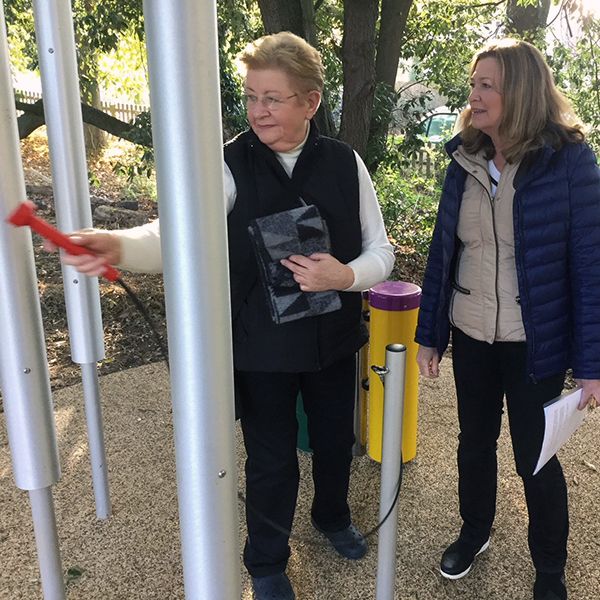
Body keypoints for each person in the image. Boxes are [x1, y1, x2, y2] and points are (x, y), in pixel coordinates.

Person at [50, 32, 394, 600]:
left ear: (310, 102)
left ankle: (331, 517)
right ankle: (266, 561)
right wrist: (119, 245)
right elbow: (174, 234)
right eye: (252, 95)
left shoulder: (344, 162)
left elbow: (380, 252)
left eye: (273, 98)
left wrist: (345, 276)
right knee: (271, 460)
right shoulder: (227, 164)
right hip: (262, 349)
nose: (258, 110)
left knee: (335, 442)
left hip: (333, 339)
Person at [415, 38, 600, 600]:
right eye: (473, 85)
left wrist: (591, 365)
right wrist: (430, 335)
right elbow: (443, 250)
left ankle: (549, 568)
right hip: (472, 332)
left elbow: (591, 267)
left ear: (517, 91)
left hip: (533, 341)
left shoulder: (569, 162)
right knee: (474, 442)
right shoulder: (463, 159)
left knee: (535, 456)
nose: (473, 96)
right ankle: (475, 532)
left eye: (484, 85)